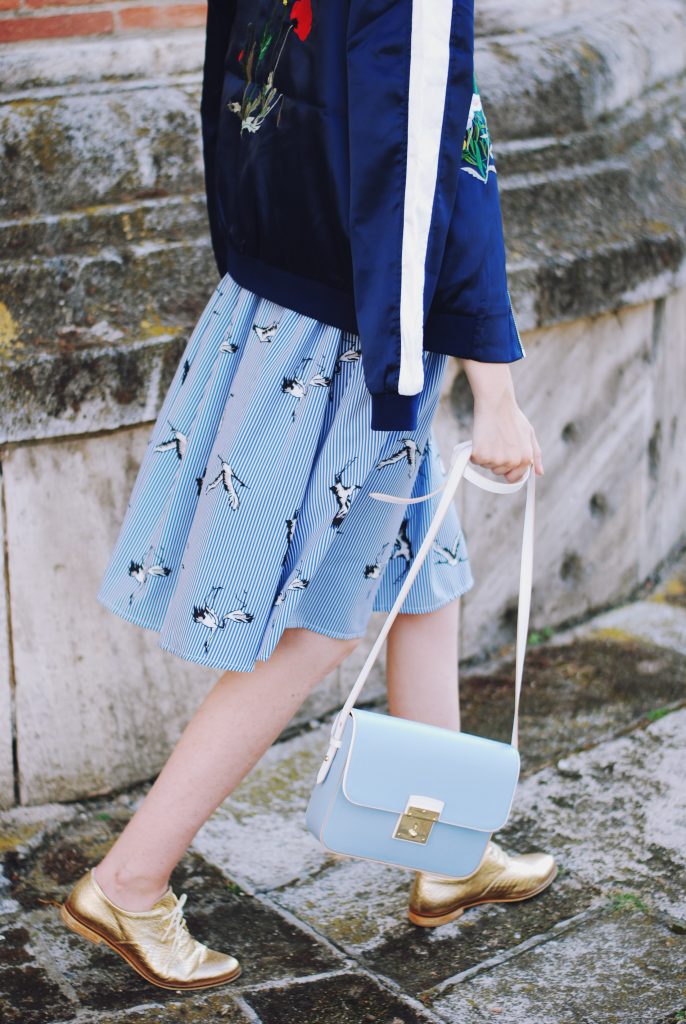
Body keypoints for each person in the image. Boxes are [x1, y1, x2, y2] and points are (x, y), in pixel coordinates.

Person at [60, 0, 554, 991]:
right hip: (352, 334)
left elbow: (245, 106)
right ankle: (131, 878)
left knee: (424, 573)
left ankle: (441, 851)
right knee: (318, 626)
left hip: (291, 302)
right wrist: (492, 392)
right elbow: (434, 181)